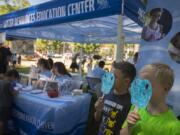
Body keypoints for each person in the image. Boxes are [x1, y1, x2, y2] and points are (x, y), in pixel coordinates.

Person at [120, 63, 180, 135]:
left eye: (145, 84)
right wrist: (129, 127)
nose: (140, 88)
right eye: (139, 82)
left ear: (166, 88)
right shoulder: (136, 108)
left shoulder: (174, 127)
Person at [95, 62, 136, 135]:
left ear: (126, 81)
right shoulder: (105, 94)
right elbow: (97, 118)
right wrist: (98, 110)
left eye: (114, 77)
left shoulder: (131, 103)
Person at [0, 69, 19, 135]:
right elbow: (13, 92)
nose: (14, 80)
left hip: (1, 103)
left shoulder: (2, 81)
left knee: (2, 120)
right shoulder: (8, 83)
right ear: (12, 76)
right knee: (2, 121)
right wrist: (18, 90)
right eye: (15, 78)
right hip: (5, 105)